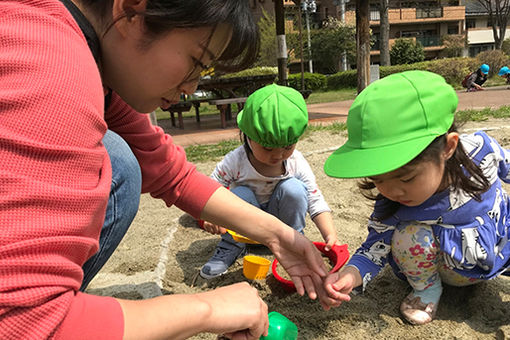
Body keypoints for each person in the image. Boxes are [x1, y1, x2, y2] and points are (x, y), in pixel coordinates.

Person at [1, 1, 336, 339]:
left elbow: (169, 171)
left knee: (121, 159)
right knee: (118, 161)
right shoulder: (54, 72)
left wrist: (278, 235)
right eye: (196, 62)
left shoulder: (90, 57)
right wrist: (208, 309)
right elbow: (23, 323)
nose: (191, 87)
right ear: (132, 11)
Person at [322, 70, 510, 326]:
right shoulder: (392, 204)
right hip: (449, 270)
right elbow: (373, 248)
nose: (392, 192)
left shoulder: (482, 152)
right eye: (378, 180)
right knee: (407, 235)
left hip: (498, 248)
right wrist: (350, 276)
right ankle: (426, 290)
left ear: (448, 147)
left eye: (407, 179)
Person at [199, 84, 339, 279]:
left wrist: (330, 235)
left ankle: (294, 242)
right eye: (267, 148)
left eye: (288, 147)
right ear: (248, 137)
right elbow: (210, 189)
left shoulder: (295, 162)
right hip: (244, 230)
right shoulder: (236, 161)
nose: (278, 155)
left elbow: (315, 199)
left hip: (281, 231)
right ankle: (231, 246)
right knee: (240, 194)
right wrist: (211, 217)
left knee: (295, 189)